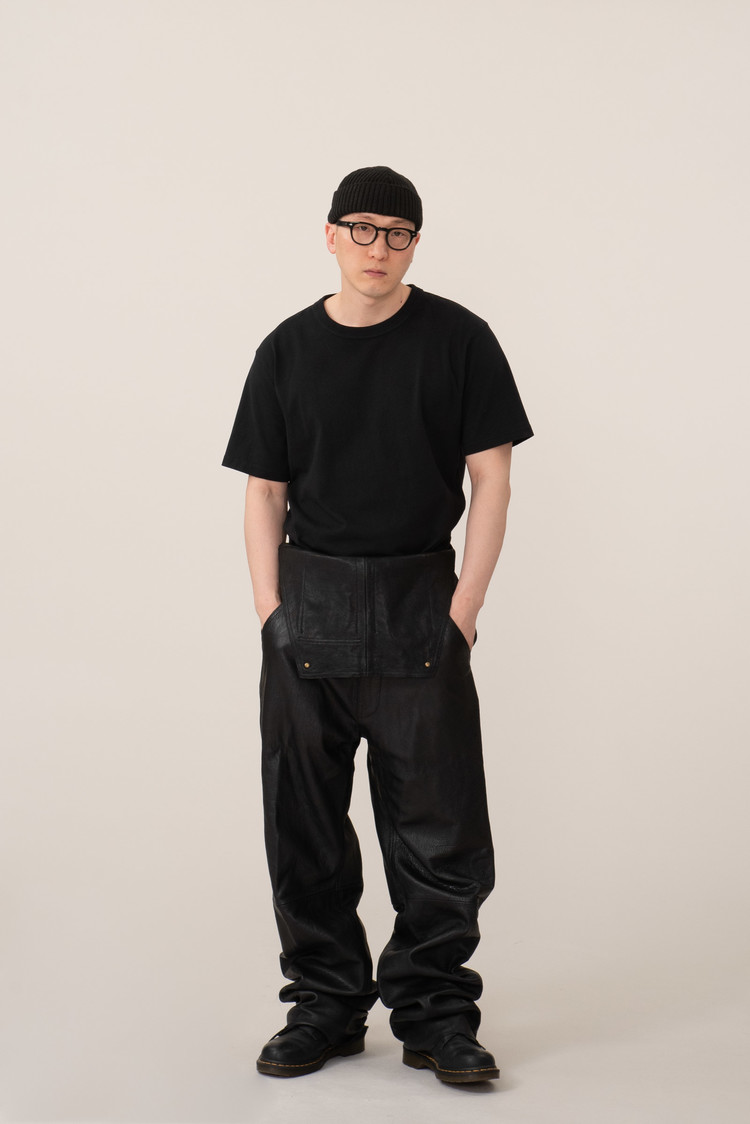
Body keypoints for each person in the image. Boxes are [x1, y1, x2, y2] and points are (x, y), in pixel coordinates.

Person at [222, 166, 533, 1084]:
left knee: (440, 829)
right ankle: (323, 1007)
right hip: (306, 608)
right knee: (304, 825)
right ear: (330, 235)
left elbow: (492, 477)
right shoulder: (286, 349)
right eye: (361, 228)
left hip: (419, 603)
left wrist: (464, 609)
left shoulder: (460, 339)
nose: (378, 247)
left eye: (397, 233)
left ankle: (437, 1015)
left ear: (415, 245)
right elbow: (264, 490)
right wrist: (271, 613)